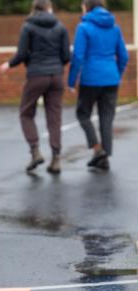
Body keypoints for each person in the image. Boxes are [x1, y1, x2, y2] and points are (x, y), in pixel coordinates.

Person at [0, 0, 70, 174]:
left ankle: (35, 151)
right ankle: (56, 159)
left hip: (36, 76)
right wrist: (55, 66)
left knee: (26, 113)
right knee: (54, 117)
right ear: (49, 8)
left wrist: (9, 64)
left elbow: (22, 54)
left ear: (34, 8)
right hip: (56, 77)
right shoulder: (60, 27)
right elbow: (67, 56)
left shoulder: (28, 26)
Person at [68, 0, 129, 170]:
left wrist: (71, 81)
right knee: (107, 118)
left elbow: (78, 56)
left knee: (83, 114)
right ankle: (104, 157)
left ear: (87, 7)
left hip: (90, 79)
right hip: (111, 79)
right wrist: (116, 74)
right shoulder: (115, 27)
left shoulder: (84, 27)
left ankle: (97, 150)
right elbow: (124, 56)